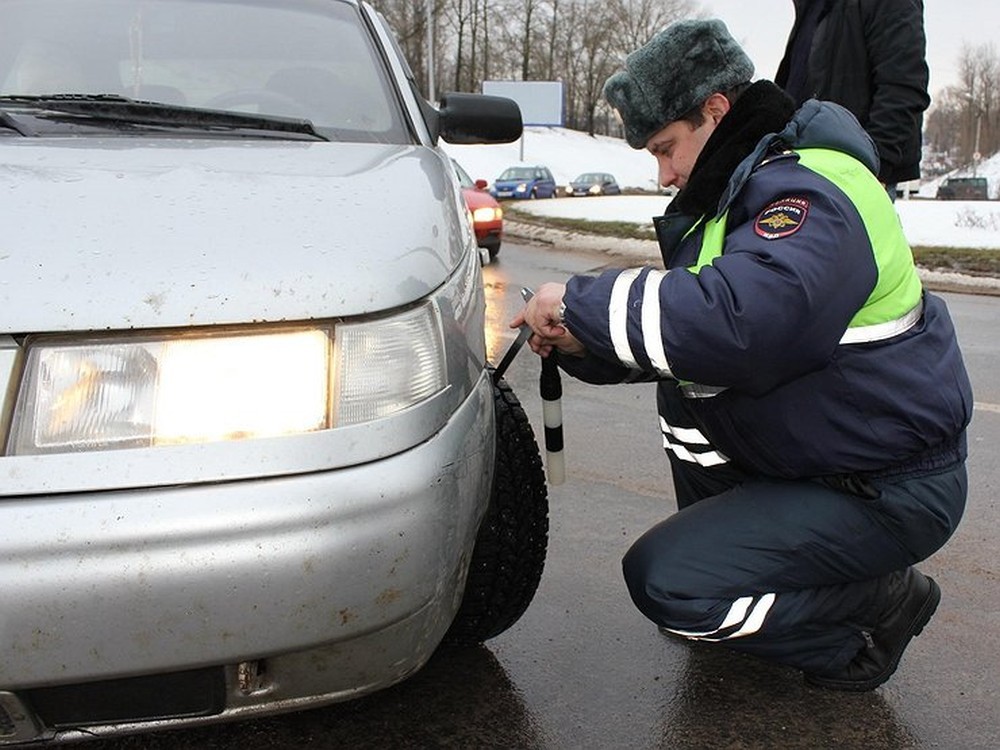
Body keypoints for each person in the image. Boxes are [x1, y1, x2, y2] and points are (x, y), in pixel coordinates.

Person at [511, 18, 972, 692]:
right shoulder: (743, 194)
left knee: (668, 585)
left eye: (667, 148)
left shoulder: (811, 188)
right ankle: (734, 572)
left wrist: (581, 302)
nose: (664, 174)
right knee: (684, 392)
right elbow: (692, 337)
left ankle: (875, 612)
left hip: (889, 485)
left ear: (716, 111)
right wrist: (583, 340)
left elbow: (742, 325)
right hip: (829, 458)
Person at [775, 0, 930, 195]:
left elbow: (903, 87)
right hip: (797, 166)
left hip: (854, 174)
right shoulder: (813, 7)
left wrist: (876, 165)